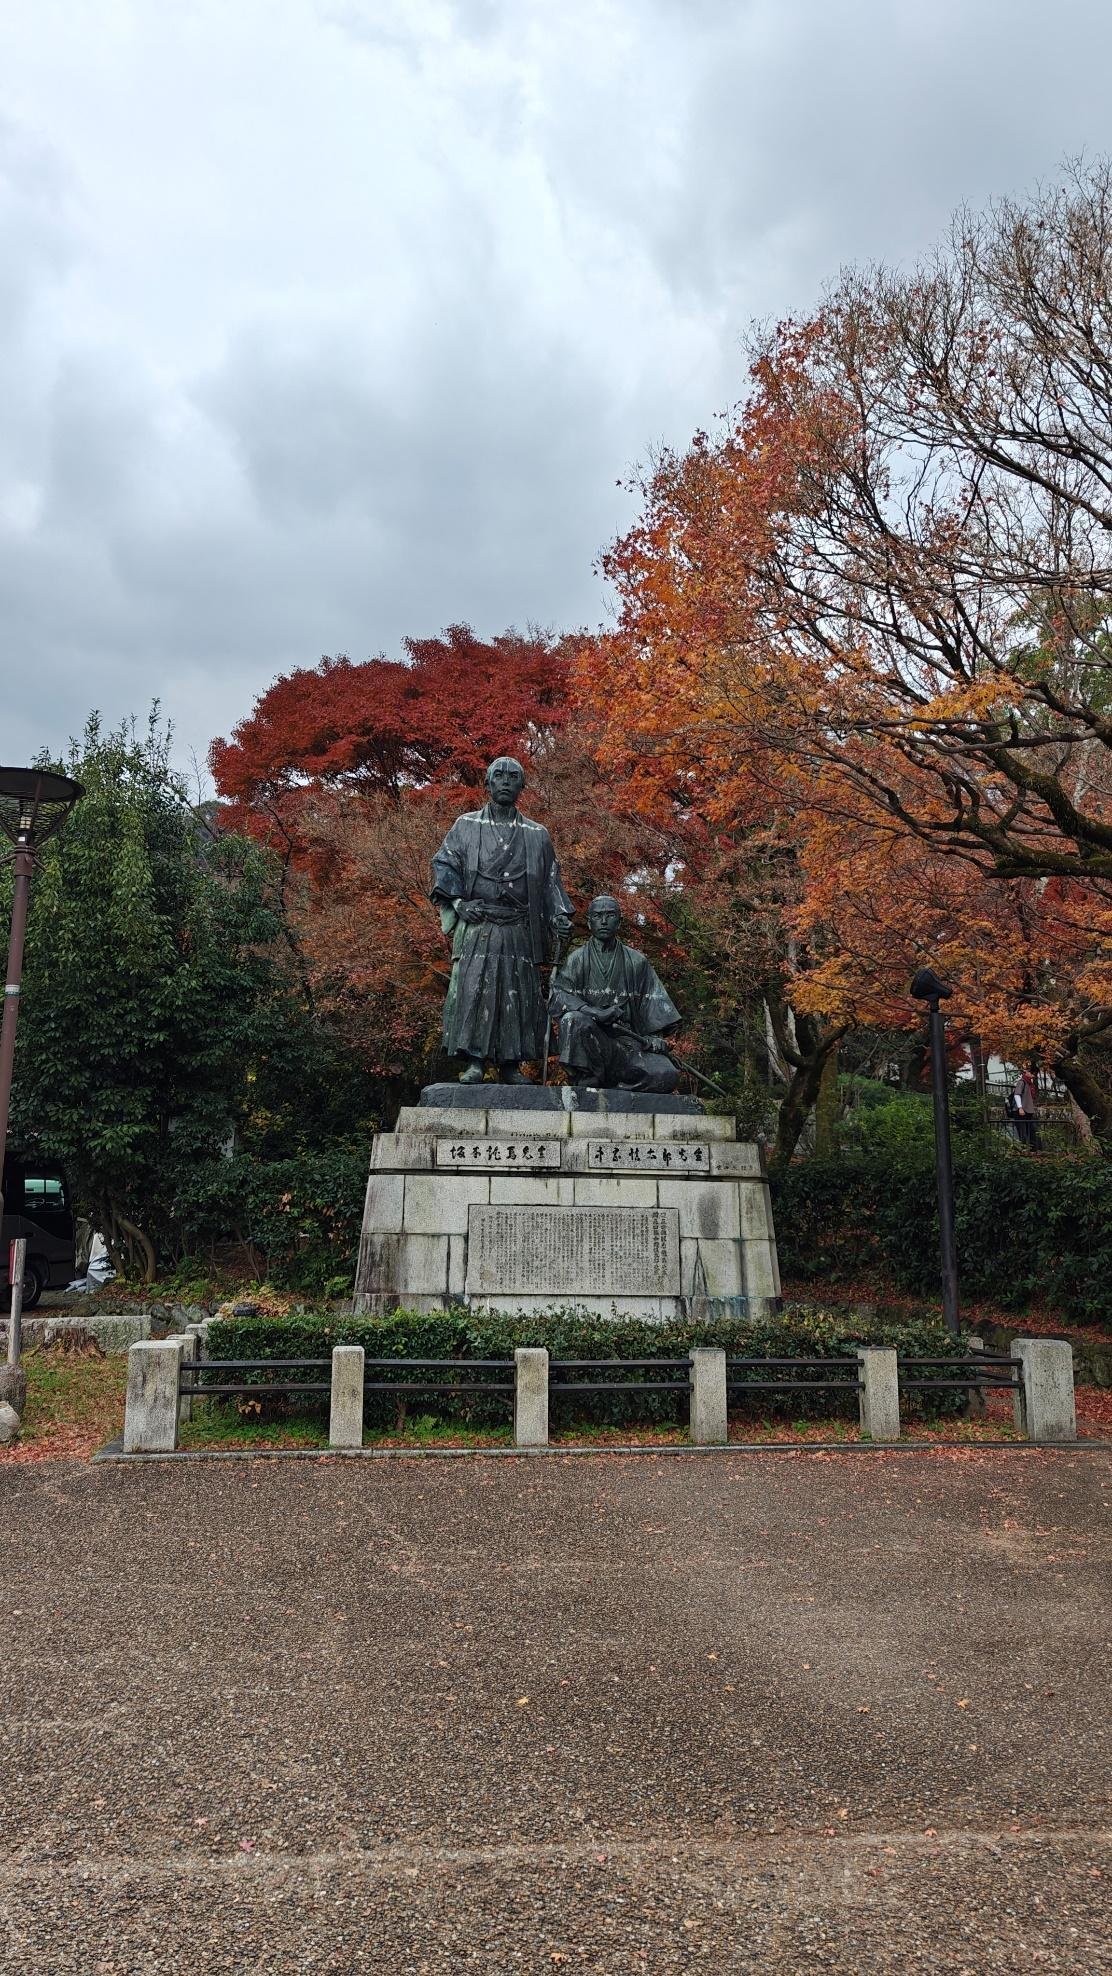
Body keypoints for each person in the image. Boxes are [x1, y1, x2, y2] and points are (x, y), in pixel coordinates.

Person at [430, 756, 573, 1083]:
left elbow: (551, 882)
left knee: (517, 992)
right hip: (478, 924)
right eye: (499, 776)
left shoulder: (537, 835)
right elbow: (445, 865)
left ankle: (511, 1064)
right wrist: (457, 901)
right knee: (474, 989)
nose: (506, 781)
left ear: (522, 786)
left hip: (519, 927)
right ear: (487, 784)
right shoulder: (466, 825)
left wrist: (560, 916)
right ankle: (475, 1062)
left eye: (513, 777)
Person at [551, 895, 682, 1092]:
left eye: (610, 915)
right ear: (589, 922)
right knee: (572, 1019)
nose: (603, 921)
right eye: (597, 916)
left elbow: (653, 1006)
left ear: (619, 922)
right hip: (592, 1042)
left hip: (627, 1045)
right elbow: (558, 996)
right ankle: (590, 1078)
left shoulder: (637, 961)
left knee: (667, 1075)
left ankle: (616, 1084)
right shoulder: (576, 960)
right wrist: (593, 1012)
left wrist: (655, 1038)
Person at [1012, 1067, 1042, 1150]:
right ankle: (1024, 1150)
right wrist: (1020, 1108)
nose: (1033, 1075)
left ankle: (1033, 1149)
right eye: (1032, 1073)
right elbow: (1017, 1094)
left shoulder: (1030, 1083)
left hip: (1028, 1110)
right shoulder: (1022, 1082)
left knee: (1031, 1131)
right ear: (1027, 1072)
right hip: (1021, 1110)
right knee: (1023, 1132)